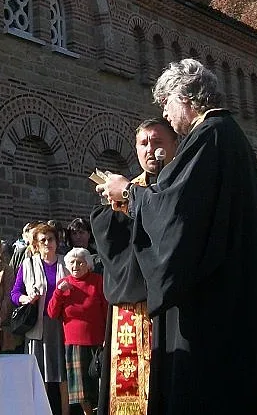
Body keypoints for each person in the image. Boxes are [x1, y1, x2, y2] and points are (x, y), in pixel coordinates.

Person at [97, 59, 257, 414]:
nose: (164, 113)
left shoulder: (209, 137)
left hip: (218, 305)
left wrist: (128, 194)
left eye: (166, 102)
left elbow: (177, 214)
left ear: (185, 97)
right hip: (236, 292)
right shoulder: (227, 135)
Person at [90, 116, 177, 415]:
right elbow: (114, 250)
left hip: (176, 307)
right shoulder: (124, 192)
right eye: (143, 143)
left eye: (158, 142)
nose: (151, 150)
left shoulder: (181, 185)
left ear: (174, 144)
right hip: (133, 310)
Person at [11, 223, 69, 415]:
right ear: (35, 244)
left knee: (63, 372)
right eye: (42, 240)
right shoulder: (27, 264)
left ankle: (65, 411)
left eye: (50, 239)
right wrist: (26, 298)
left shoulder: (67, 262)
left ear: (56, 241)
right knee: (40, 373)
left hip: (63, 324)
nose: (47, 243)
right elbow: (15, 292)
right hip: (38, 325)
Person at [47, 248, 108, 415]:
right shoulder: (64, 283)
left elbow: (106, 311)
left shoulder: (98, 281)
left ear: (88, 265)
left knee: (99, 387)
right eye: (72, 263)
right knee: (82, 394)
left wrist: (107, 339)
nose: (76, 266)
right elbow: (52, 313)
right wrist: (59, 292)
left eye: (80, 262)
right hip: (74, 344)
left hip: (97, 343)